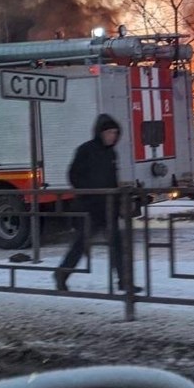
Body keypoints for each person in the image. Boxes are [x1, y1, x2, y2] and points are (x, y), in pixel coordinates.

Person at [53, 113, 133, 293]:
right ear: (100, 133)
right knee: (81, 244)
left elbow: (113, 179)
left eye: (115, 133)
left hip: (108, 207)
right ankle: (61, 274)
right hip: (90, 207)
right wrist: (91, 191)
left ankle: (124, 281)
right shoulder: (86, 150)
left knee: (118, 245)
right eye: (109, 133)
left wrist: (118, 201)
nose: (112, 136)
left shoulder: (111, 153)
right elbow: (73, 175)